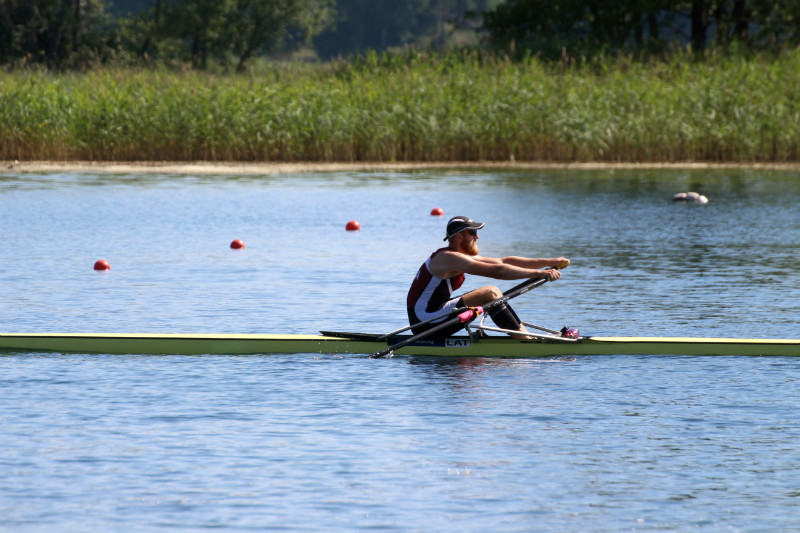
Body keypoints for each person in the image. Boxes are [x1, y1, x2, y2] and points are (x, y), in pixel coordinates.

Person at [407, 216, 568, 339]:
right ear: (459, 237)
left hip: (434, 315)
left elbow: (504, 262)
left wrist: (550, 262)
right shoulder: (447, 258)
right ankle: (525, 341)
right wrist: (540, 273)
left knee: (492, 294)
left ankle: (525, 337)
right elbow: (497, 271)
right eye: (473, 233)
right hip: (424, 321)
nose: (477, 237)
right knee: (490, 293)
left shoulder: (458, 257)